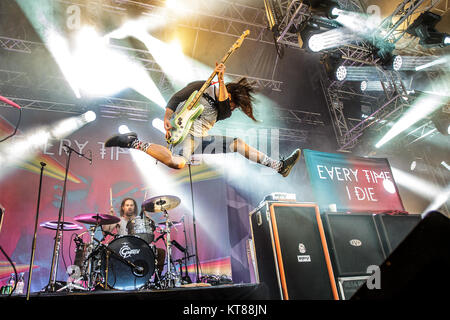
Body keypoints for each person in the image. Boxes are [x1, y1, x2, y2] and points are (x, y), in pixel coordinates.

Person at [104, 63, 301, 177]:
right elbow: (177, 97)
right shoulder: (202, 86)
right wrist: (167, 116)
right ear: (231, 96)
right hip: (185, 133)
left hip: (199, 139)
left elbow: (223, 105)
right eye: (235, 104)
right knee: (178, 163)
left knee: (238, 144)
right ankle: (133, 142)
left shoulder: (224, 109)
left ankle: (279, 167)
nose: (232, 109)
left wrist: (222, 79)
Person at [102, 197, 166, 279]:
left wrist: (147, 215)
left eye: (131, 205)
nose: (129, 207)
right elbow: (105, 232)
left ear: (134, 207)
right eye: (127, 205)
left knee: (161, 252)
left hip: (139, 246)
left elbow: (153, 227)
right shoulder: (118, 220)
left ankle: (157, 280)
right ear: (123, 207)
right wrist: (110, 217)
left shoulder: (139, 219)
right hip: (124, 248)